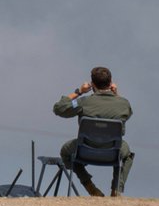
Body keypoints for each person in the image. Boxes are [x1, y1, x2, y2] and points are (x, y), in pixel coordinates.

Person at [53, 66, 134, 197]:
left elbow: (59, 108)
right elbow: (127, 112)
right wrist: (116, 94)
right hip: (112, 152)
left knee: (65, 151)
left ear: (92, 84)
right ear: (111, 82)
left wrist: (79, 91)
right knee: (127, 154)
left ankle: (90, 187)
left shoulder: (83, 102)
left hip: (85, 150)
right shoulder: (123, 103)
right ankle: (116, 190)